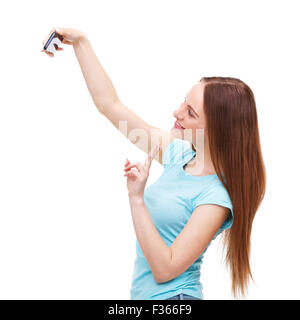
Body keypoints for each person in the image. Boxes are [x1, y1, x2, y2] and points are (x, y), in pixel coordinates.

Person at [41, 28, 266, 300]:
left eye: (190, 112)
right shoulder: (177, 156)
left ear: (216, 130)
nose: (177, 112)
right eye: (185, 101)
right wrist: (81, 43)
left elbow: (165, 269)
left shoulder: (215, 198)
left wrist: (136, 199)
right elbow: (111, 106)